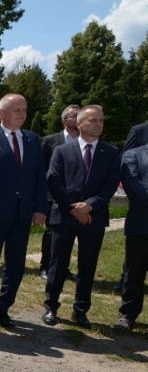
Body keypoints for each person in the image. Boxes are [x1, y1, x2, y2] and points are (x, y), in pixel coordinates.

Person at [0, 93, 47, 330]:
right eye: (17, 110)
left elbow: (39, 178)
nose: (22, 113)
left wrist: (40, 208)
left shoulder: (34, 140)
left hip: (22, 215)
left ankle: (3, 308)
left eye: (24, 109)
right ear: (2, 113)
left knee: (15, 266)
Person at [42, 105, 120, 327]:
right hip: (64, 216)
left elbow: (111, 184)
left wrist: (89, 206)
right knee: (57, 263)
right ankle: (51, 307)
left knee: (88, 265)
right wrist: (74, 208)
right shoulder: (62, 151)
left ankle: (81, 310)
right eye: (92, 120)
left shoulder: (111, 152)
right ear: (79, 123)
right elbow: (53, 180)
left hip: (93, 217)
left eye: (101, 120)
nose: (98, 124)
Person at [40, 104, 80, 279]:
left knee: (70, 233)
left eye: (79, 116)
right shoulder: (50, 140)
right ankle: (46, 266)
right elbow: (42, 168)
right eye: (73, 116)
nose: (77, 119)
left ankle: (63, 267)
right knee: (51, 232)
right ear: (64, 120)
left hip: (75, 197)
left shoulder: (84, 141)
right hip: (52, 195)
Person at [114, 142, 148, 331]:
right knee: (134, 272)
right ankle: (127, 315)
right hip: (142, 223)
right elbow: (132, 184)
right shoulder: (133, 155)